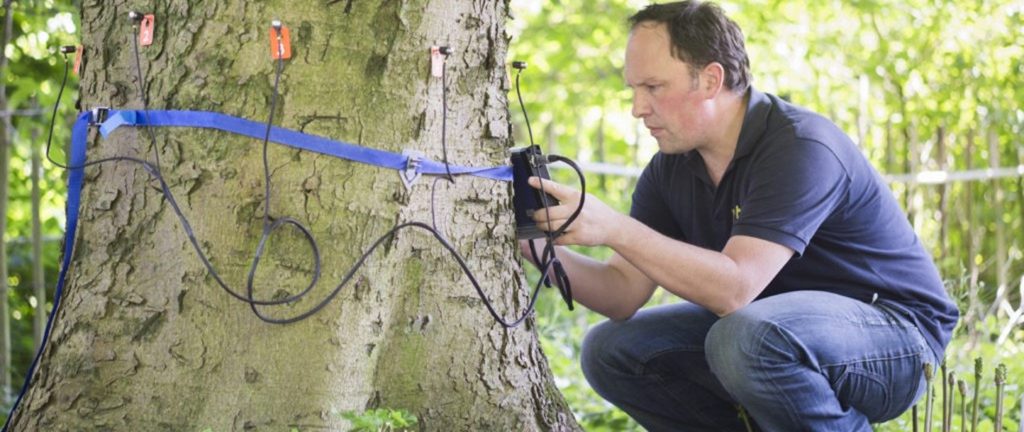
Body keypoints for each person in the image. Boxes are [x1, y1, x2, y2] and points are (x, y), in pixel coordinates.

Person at [520, 1, 959, 430]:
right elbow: (620, 294)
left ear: (711, 79)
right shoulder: (673, 165)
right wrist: (528, 243)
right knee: (611, 349)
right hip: (771, 332)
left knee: (743, 336)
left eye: (653, 87)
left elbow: (734, 290)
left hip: (896, 336)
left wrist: (616, 228)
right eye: (632, 89)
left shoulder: (800, 146)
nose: (637, 107)